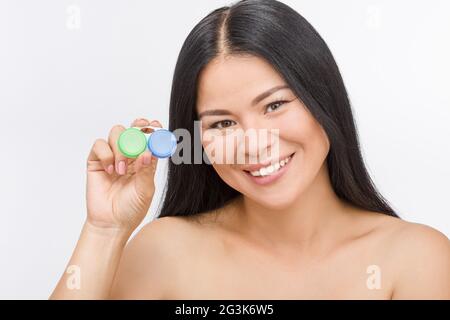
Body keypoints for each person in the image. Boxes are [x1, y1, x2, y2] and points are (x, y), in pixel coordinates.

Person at [50, 0, 450, 299]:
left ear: (323, 100)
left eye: (275, 105)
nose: (253, 142)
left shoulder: (415, 258)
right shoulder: (164, 251)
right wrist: (104, 231)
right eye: (223, 123)